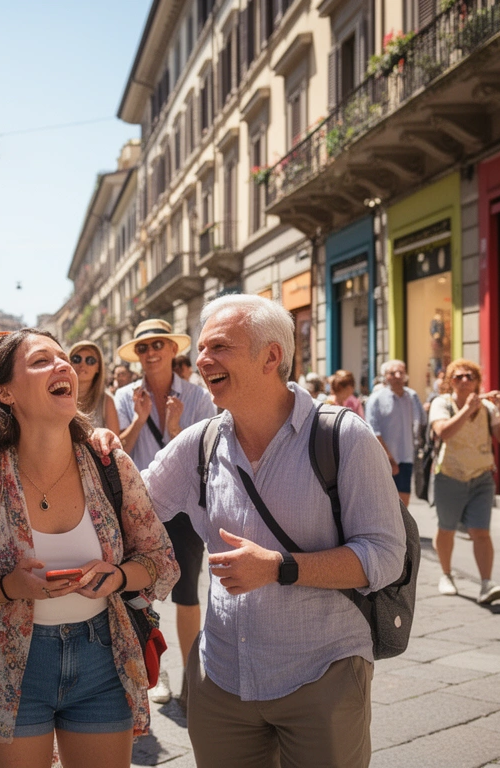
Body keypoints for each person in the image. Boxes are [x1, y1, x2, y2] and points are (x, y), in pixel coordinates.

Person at [142, 295, 406, 768]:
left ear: (271, 356)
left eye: (219, 346)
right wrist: (90, 443)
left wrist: (280, 568)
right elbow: (130, 509)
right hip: (221, 679)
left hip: (321, 673)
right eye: (201, 349)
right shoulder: (198, 444)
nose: (202, 360)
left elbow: (386, 556)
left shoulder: (343, 437)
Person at [0, 328, 179, 768]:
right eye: (41, 361)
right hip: (10, 668)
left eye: (63, 358)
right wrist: (9, 587)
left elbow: (161, 559)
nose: (63, 366)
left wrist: (119, 576)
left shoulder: (110, 462)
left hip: (103, 658)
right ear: (5, 392)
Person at [113, 318, 216, 710]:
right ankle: (150, 674)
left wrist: (175, 428)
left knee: (189, 591)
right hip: (138, 510)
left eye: (158, 345)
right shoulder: (124, 397)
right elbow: (116, 452)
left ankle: (192, 676)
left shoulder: (198, 396)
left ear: (174, 350)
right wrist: (140, 420)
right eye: (143, 347)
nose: (151, 352)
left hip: (186, 510)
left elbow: (205, 457)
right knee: (140, 596)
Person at [429, 358, 500, 604]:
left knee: (481, 532)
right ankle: (446, 574)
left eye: (470, 376)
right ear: (450, 382)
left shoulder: (488, 409)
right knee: (446, 529)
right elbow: (443, 432)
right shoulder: (441, 403)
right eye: (458, 377)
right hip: (449, 475)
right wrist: (466, 409)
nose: (465, 380)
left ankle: (486, 583)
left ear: (478, 381)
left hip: (481, 477)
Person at [366, 360, 426, 506]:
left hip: (406, 456)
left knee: (404, 505)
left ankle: (402, 530)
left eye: (401, 372)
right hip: (383, 459)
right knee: (384, 504)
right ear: (385, 376)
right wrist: (389, 458)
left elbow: (422, 421)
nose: (398, 376)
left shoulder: (412, 397)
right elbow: (373, 430)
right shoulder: (376, 399)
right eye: (393, 373)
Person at [68, 340, 119, 433]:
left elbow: (115, 444)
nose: (82, 364)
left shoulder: (106, 401)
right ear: (68, 363)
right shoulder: (56, 397)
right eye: (76, 359)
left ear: (98, 368)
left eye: (90, 360)